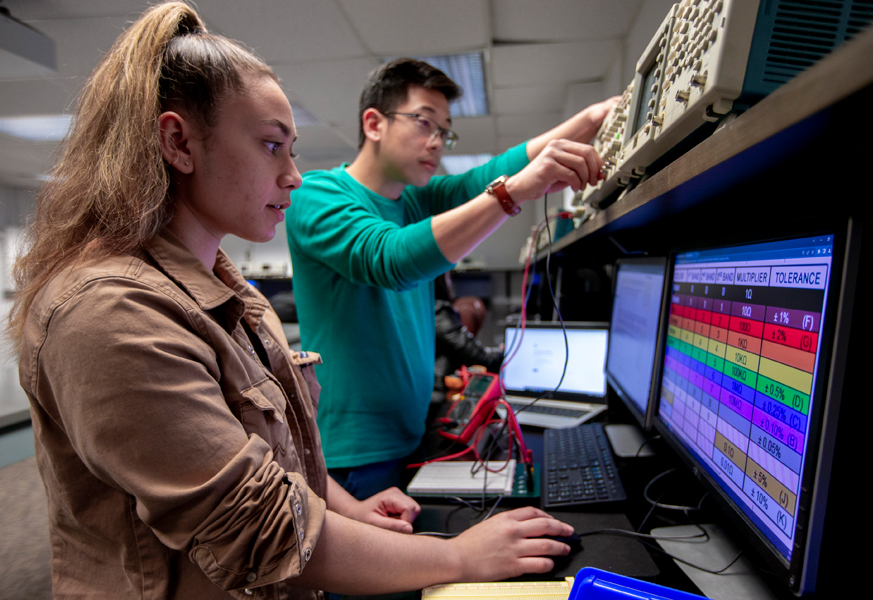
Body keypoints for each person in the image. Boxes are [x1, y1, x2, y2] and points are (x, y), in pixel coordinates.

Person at [6, 3, 575, 598]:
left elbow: (266, 464)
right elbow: (264, 531)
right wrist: (456, 557)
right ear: (178, 143)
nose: (294, 175)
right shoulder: (109, 315)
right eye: (272, 146)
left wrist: (350, 511)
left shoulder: (236, 297)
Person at [286, 58, 619, 499]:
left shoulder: (414, 199)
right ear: (374, 123)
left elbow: (491, 172)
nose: (437, 142)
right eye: (425, 123)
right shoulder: (316, 192)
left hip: (413, 432)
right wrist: (513, 191)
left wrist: (593, 118)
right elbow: (391, 260)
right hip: (355, 455)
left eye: (444, 130)